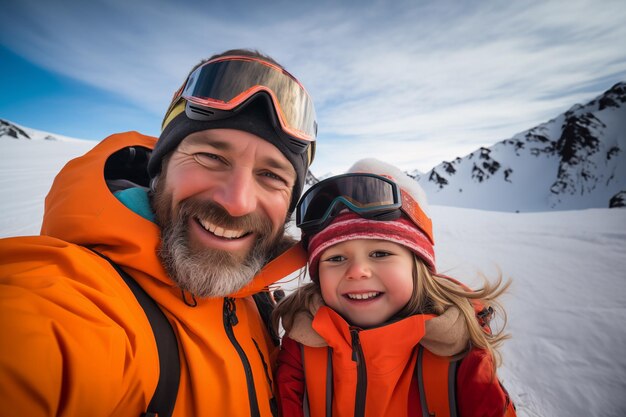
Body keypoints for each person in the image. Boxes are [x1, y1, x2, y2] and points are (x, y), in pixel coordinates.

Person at [0, 49, 316, 416]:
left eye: (272, 176)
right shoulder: (71, 302)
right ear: (160, 168)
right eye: (211, 157)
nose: (237, 202)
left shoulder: (258, 299)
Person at [273, 159, 517, 417]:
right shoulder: (301, 347)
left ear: (418, 266)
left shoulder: (461, 357)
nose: (357, 271)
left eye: (380, 253)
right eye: (336, 258)